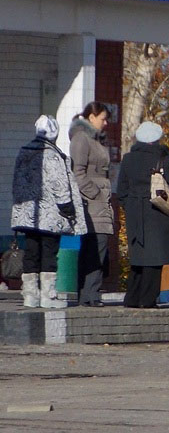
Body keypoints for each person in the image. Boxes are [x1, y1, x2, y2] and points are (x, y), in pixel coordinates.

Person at [10, 115, 87, 308]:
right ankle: (48, 295)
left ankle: (30, 295)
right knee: (49, 254)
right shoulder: (52, 155)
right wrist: (68, 208)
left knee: (31, 253)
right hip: (50, 215)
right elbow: (59, 185)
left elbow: (17, 183)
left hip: (28, 214)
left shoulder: (24, 152)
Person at [117, 121, 169, 309]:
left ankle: (132, 299)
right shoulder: (165, 159)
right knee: (155, 261)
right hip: (158, 214)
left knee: (138, 261)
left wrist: (131, 206)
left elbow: (121, 190)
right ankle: (147, 300)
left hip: (135, 214)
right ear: (157, 139)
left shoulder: (128, 159)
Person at [70, 101, 113, 307]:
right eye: (103, 119)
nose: (105, 123)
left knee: (97, 248)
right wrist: (94, 192)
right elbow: (77, 172)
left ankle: (90, 294)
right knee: (95, 247)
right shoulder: (82, 139)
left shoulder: (97, 140)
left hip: (100, 202)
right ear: (91, 117)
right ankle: (89, 294)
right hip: (92, 203)